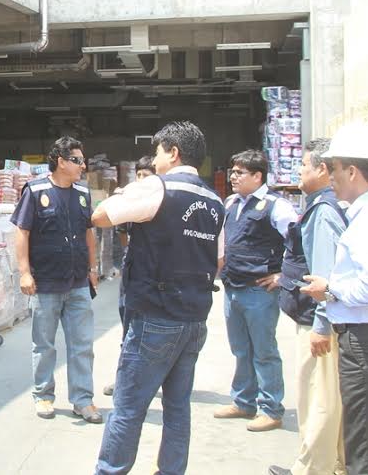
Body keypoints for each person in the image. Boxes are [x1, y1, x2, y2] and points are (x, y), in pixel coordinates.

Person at [91, 121, 224, 474]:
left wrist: (124, 194)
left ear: (174, 152)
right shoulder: (214, 201)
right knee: (177, 407)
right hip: (194, 318)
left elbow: (100, 216)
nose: (154, 159)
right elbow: (218, 259)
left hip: (155, 317)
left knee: (128, 407)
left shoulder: (156, 187)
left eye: (158, 152)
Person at [302, 122, 368, 475]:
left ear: (351, 171)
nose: (330, 176)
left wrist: (330, 289)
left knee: (365, 450)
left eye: (333, 168)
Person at [269, 139, 347, 475]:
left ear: (322, 169)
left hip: (318, 322)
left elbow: (324, 277)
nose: (298, 171)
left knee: (318, 398)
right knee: (327, 396)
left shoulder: (324, 211)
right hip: (318, 318)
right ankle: (336, 464)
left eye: (303, 165)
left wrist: (321, 325)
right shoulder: (323, 205)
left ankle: (313, 468)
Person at [12, 136, 101, 423]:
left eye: (83, 160)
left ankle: (83, 400)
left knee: (82, 345)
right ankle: (43, 395)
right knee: (44, 345)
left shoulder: (83, 194)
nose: (83, 166)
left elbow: (88, 233)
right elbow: (22, 232)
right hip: (46, 283)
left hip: (77, 283)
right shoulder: (36, 191)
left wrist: (92, 268)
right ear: (61, 162)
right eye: (77, 160)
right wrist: (24, 272)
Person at [215, 150, 297, 432]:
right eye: (233, 171)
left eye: (240, 173)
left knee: (264, 351)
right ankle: (243, 401)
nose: (233, 177)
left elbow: (298, 243)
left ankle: (271, 408)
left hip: (259, 291)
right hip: (233, 287)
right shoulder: (230, 203)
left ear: (257, 176)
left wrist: (284, 275)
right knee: (241, 348)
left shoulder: (277, 207)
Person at [105, 155, 155, 397]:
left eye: (147, 176)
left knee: (153, 330)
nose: (141, 180)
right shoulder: (130, 200)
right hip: (132, 272)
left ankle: (151, 380)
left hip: (155, 275)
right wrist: (130, 253)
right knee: (128, 326)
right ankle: (124, 379)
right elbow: (121, 230)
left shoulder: (162, 202)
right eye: (139, 175)